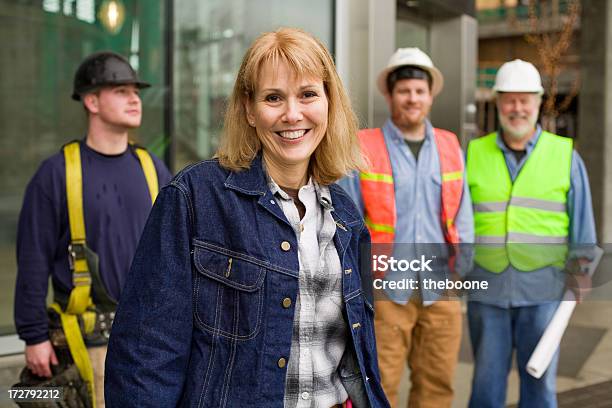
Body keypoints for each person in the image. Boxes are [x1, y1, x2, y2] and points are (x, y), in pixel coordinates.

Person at [104, 28, 390, 408]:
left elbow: (357, 356)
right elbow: (146, 354)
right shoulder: (195, 198)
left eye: (308, 94)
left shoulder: (347, 219)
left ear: (329, 103)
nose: (293, 114)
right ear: (249, 110)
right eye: (274, 98)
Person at [14, 51, 172, 407]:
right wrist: (34, 336)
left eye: (135, 90)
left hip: (148, 341)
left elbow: (176, 251)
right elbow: (33, 259)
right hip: (88, 347)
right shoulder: (56, 174)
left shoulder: (153, 169)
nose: (134, 98)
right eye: (120, 91)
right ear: (91, 100)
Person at [338, 48, 474, 407]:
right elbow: (348, 220)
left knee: (437, 386)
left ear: (430, 95)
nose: (412, 98)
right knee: (381, 385)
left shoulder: (449, 145)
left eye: (419, 90)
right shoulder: (365, 147)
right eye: (404, 91)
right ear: (390, 95)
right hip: (386, 291)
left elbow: (463, 211)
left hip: (440, 288)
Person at [465, 59, 596, 408]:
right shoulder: (473, 154)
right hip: (486, 292)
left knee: (539, 389)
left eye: (525, 99)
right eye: (509, 99)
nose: (517, 108)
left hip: (544, 293)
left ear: (538, 102)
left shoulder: (565, 155)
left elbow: (583, 226)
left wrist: (580, 274)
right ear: (498, 103)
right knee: (485, 387)